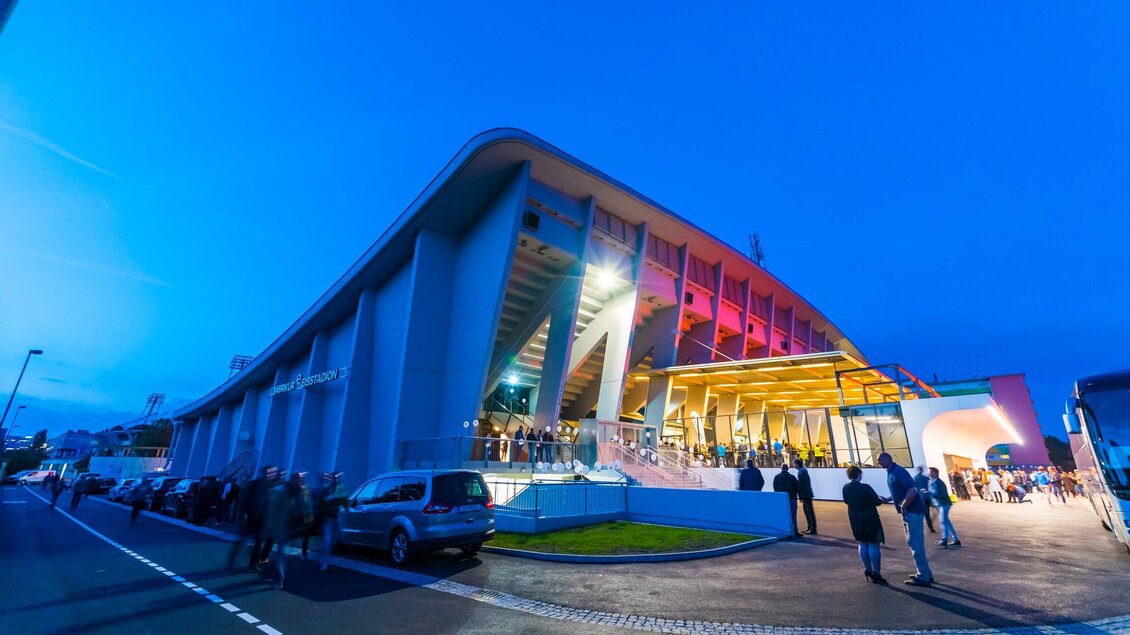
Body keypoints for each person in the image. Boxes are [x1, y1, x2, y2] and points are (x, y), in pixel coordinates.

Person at [877, 452, 933, 586]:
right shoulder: (892, 472)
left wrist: (903, 505)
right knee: (913, 542)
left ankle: (923, 576)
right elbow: (900, 491)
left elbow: (912, 490)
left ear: (888, 459)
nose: (879, 463)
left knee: (914, 543)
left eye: (880, 460)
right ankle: (925, 573)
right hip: (909, 512)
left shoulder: (898, 471)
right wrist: (889, 498)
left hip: (912, 512)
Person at [265, 472, 313, 589]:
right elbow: (274, 508)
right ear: (293, 479)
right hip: (284, 525)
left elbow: (307, 506)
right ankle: (279, 579)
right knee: (282, 552)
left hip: (296, 526)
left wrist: (309, 519)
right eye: (298, 478)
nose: (300, 480)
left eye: (301, 478)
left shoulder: (303, 490)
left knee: (282, 553)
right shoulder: (282, 491)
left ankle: (271, 571)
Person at [227, 465, 278, 572]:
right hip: (250, 517)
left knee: (259, 542)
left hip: (263, 519)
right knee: (242, 540)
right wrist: (242, 514)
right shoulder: (255, 484)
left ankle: (253, 563)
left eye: (273, 473)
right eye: (269, 473)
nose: (271, 475)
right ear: (264, 473)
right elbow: (244, 499)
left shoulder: (274, 486)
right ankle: (232, 560)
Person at [842, 465, 888, 584]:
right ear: (859, 475)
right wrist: (885, 499)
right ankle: (876, 573)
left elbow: (847, 501)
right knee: (873, 544)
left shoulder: (845, 488)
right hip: (869, 518)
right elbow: (877, 502)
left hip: (855, 519)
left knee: (862, 543)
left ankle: (868, 569)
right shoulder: (865, 487)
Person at [316, 472, 347, 571]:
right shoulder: (326, 490)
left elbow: (344, 500)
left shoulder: (341, 488)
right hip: (327, 519)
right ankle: (324, 562)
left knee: (333, 540)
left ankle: (322, 556)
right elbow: (319, 503)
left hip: (336, 518)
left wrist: (347, 509)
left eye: (338, 477)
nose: (336, 479)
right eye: (335, 477)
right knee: (327, 540)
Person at [928, 467, 961, 548]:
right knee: (946, 522)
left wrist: (928, 493)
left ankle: (944, 539)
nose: (930, 473)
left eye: (931, 472)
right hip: (940, 504)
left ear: (935, 473)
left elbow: (941, 494)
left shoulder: (939, 483)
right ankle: (956, 539)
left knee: (943, 521)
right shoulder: (933, 482)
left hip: (944, 503)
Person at [772, 463, 801, 538]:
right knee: (793, 516)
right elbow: (798, 488)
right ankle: (794, 531)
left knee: (783, 515)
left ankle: (784, 531)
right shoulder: (792, 477)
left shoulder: (777, 477)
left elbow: (775, 488)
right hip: (792, 498)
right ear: (787, 469)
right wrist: (800, 497)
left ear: (781, 469)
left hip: (782, 500)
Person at [795, 458, 817, 535]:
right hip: (807, 494)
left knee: (809, 511)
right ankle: (810, 527)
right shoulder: (802, 472)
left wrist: (802, 495)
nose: (793, 465)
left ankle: (812, 528)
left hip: (806, 494)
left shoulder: (802, 473)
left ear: (797, 464)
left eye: (794, 464)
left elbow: (803, 485)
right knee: (807, 511)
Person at [913, 466, 937, 534]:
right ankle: (931, 527)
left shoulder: (915, 478)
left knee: (922, 514)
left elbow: (914, 489)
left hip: (920, 498)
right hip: (928, 497)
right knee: (929, 513)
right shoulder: (926, 478)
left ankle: (923, 528)